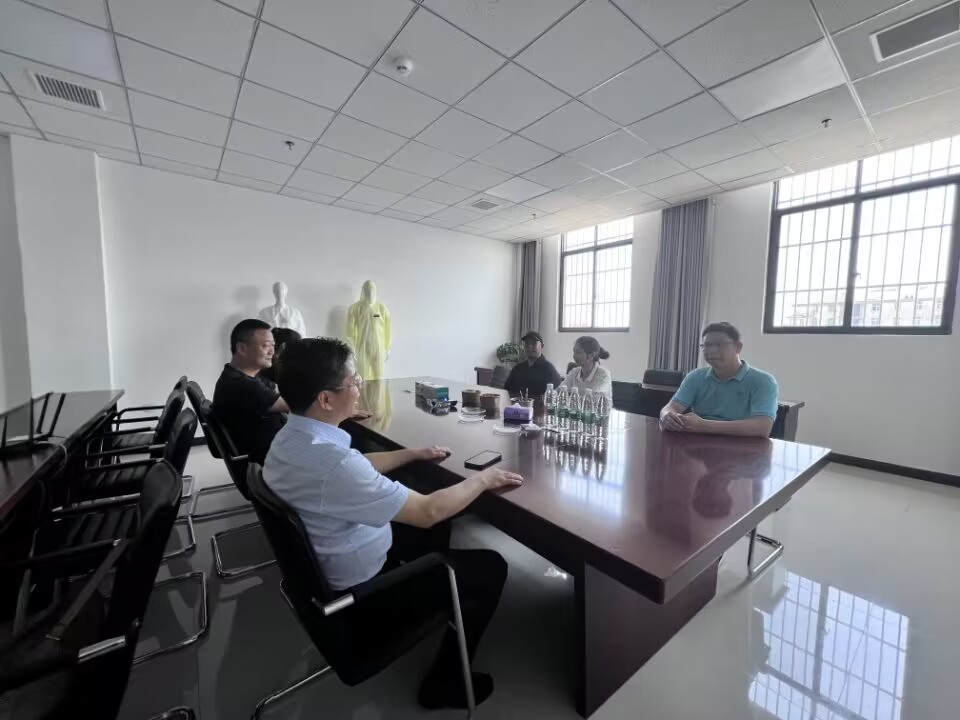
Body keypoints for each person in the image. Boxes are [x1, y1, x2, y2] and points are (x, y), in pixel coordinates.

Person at [263, 337, 523, 710]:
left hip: (329, 571)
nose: (358, 387)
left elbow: (356, 466)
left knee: (427, 516)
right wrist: (483, 479)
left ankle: (434, 589)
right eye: (353, 382)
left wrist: (410, 454)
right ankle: (446, 681)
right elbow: (429, 510)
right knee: (490, 565)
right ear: (326, 399)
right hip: (363, 596)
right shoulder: (336, 465)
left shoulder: (290, 439)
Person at [660, 322, 778, 438]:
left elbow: (762, 427)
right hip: (698, 443)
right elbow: (671, 407)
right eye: (707, 346)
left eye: (719, 345)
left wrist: (705, 426)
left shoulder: (763, 381)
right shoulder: (695, 377)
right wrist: (667, 415)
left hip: (742, 445)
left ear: (738, 347)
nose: (712, 350)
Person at [212, 319, 289, 464]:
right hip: (273, 461)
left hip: (276, 451)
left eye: (273, 346)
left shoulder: (238, 375)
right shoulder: (242, 385)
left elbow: (276, 391)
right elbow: (294, 405)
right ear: (242, 348)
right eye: (265, 346)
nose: (272, 352)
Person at [504, 331, 562, 397]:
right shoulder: (518, 368)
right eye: (527, 343)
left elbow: (556, 392)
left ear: (542, 346)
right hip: (516, 402)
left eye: (533, 343)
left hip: (538, 403)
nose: (529, 346)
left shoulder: (549, 369)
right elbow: (507, 390)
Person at [561, 336, 613, 400]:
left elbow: (595, 399)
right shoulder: (575, 372)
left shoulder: (603, 374)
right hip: (578, 406)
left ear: (591, 355)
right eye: (574, 351)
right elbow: (559, 390)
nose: (574, 356)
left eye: (578, 352)